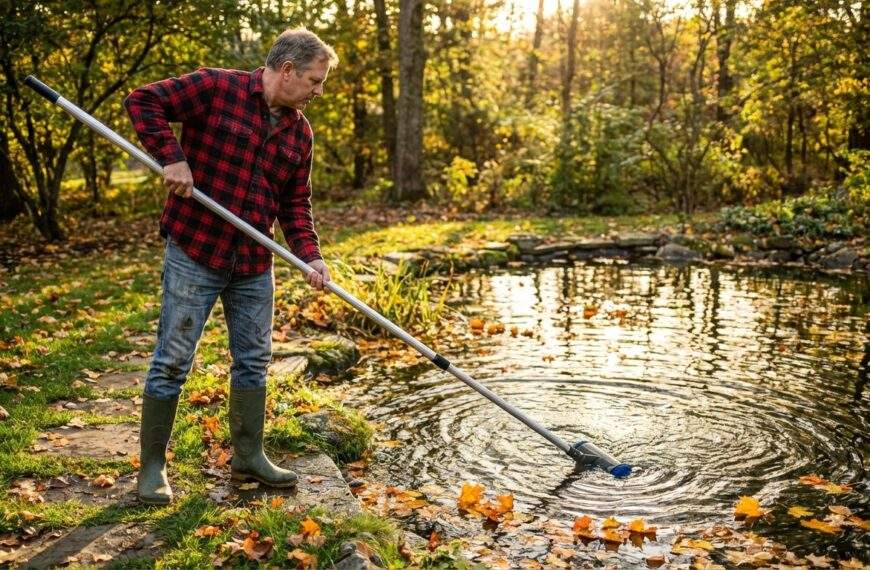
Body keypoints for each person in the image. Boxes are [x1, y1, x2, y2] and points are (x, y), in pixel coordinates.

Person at [124, 28, 337, 505]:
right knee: (173, 361)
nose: (318, 91)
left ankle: (248, 454)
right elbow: (143, 102)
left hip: (254, 263)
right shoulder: (216, 88)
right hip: (197, 249)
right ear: (286, 71)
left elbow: (295, 204)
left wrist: (311, 256)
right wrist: (172, 158)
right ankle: (152, 468)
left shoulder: (299, 132)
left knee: (254, 361)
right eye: (314, 81)